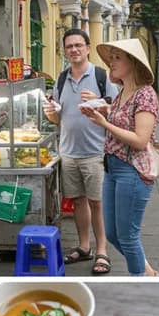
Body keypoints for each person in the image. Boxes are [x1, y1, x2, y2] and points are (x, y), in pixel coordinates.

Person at [81, 39, 159, 277]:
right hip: (112, 169)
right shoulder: (121, 93)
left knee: (128, 236)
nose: (111, 63)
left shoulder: (145, 95)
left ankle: (140, 280)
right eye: (111, 58)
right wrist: (102, 111)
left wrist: (104, 123)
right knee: (113, 234)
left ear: (133, 63)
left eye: (117, 58)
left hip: (132, 170)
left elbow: (140, 140)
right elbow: (122, 120)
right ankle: (148, 273)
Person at [44, 29, 119, 275]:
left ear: (87, 48)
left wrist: (99, 101)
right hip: (68, 151)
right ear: (64, 51)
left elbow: (116, 111)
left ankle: (102, 251)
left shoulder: (101, 76)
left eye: (78, 45)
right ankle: (84, 246)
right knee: (77, 201)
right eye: (69, 46)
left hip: (96, 151)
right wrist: (50, 113)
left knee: (97, 202)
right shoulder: (61, 79)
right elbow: (58, 118)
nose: (74, 50)